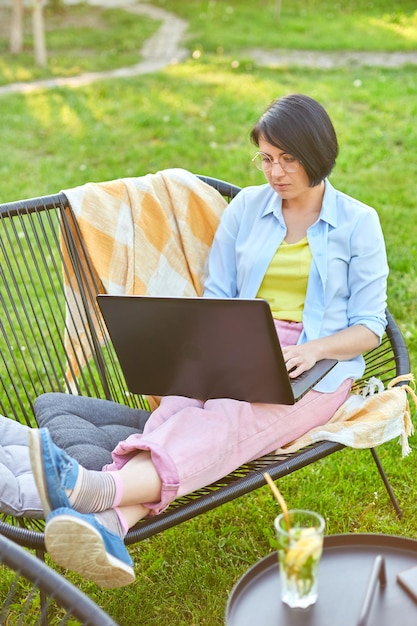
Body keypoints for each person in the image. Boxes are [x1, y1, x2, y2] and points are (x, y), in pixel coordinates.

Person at [28, 93, 388, 589]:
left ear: (319, 154)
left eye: (289, 159)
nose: (276, 172)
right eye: (266, 158)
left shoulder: (357, 222)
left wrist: (314, 350)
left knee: (227, 422)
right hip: (238, 340)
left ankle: (97, 489)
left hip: (316, 367)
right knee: (174, 409)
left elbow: (370, 326)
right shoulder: (247, 208)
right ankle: (113, 525)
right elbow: (218, 294)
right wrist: (199, 346)